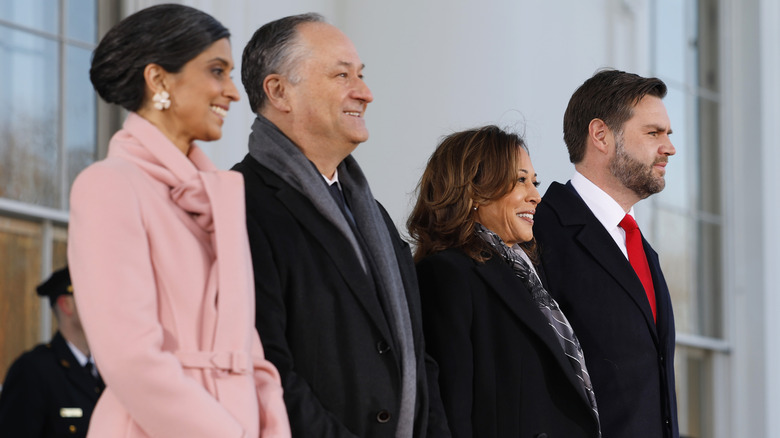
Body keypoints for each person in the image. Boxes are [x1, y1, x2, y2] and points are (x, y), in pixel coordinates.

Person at [66, 5, 290, 438]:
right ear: (159, 80)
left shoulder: (221, 198)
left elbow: (250, 349)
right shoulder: (108, 185)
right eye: (217, 71)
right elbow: (129, 357)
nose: (232, 92)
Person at [233, 13, 449, 438]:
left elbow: (419, 357)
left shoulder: (376, 218)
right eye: (341, 75)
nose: (365, 93)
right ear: (279, 91)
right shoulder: (239, 203)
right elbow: (264, 368)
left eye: (361, 75)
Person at [407, 126, 601, 438]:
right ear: (472, 190)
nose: (536, 195)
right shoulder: (447, 275)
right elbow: (450, 413)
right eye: (520, 180)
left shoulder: (530, 278)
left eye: (533, 182)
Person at [533, 69, 678, 437]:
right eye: (653, 133)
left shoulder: (642, 249)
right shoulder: (540, 232)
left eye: (668, 134)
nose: (669, 148)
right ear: (600, 135)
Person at [0, 266, 104, 437]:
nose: (102, 306)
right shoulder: (33, 371)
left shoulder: (106, 370)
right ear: (66, 304)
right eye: (92, 297)